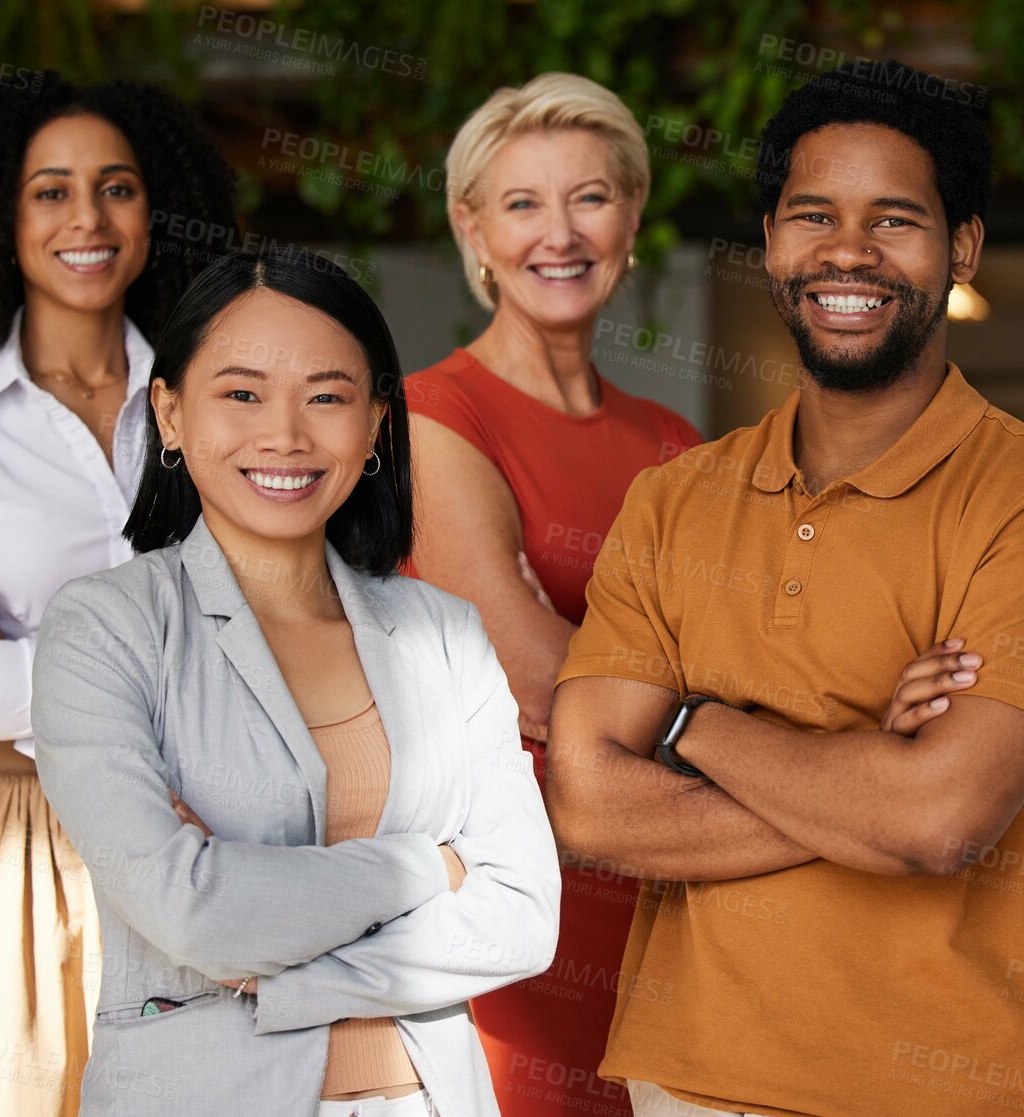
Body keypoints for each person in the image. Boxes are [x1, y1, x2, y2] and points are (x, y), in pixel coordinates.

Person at [547, 61, 1024, 1117]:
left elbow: (941, 821)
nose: (847, 251)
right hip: (691, 1086)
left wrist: (689, 721)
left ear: (961, 249)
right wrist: (873, 776)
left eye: (894, 219)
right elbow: (586, 803)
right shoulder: (674, 500)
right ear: (770, 240)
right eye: (813, 214)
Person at [31, 247, 562, 1117]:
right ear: (168, 412)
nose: (285, 434)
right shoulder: (106, 628)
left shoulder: (444, 631)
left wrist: (281, 962)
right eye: (241, 394)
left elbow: (523, 917)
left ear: (375, 423)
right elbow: (195, 913)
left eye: (327, 395)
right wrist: (430, 865)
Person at [0, 75, 236, 1116]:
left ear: (156, 211)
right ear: (1, 214)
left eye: (117, 188)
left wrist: (29, 650)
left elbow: (273, 632)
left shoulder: (219, 402)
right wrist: (156, 660)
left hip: (190, 845)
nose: (88, 219)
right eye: (51, 191)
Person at [403, 71, 701, 1117]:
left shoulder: (673, 445)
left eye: (589, 195)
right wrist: (672, 680)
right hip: (516, 896)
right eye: (522, 202)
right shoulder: (435, 416)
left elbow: (759, 666)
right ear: (472, 230)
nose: (558, 232)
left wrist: (611, 673)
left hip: (676, 894)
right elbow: (532, 675)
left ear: (631, 215)